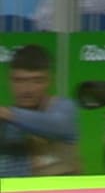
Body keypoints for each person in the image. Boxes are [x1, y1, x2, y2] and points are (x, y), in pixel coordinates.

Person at [0, 44, 79, 177]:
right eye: (19, 81)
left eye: (37, 81)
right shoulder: (5, 123)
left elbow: (58, 125)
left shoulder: (62, 109)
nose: (27, 89)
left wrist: (8, 114)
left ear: (49, 81)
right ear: (10, 82)